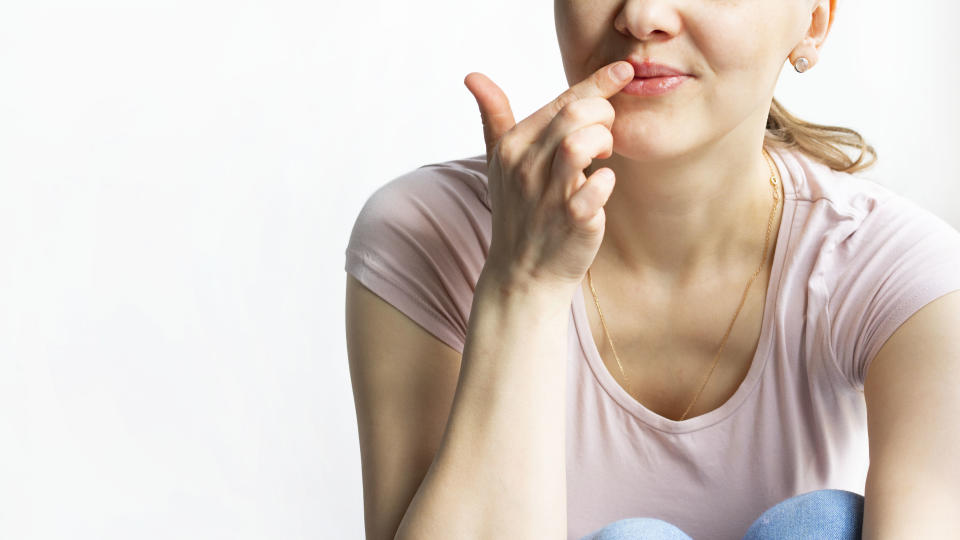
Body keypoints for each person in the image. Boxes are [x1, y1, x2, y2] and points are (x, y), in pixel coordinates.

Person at [345, 0, 960, 538]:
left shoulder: (896, 271)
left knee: (821, 526)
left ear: (814, 21)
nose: (641, 14)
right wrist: (522, 285)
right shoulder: (429, 234)